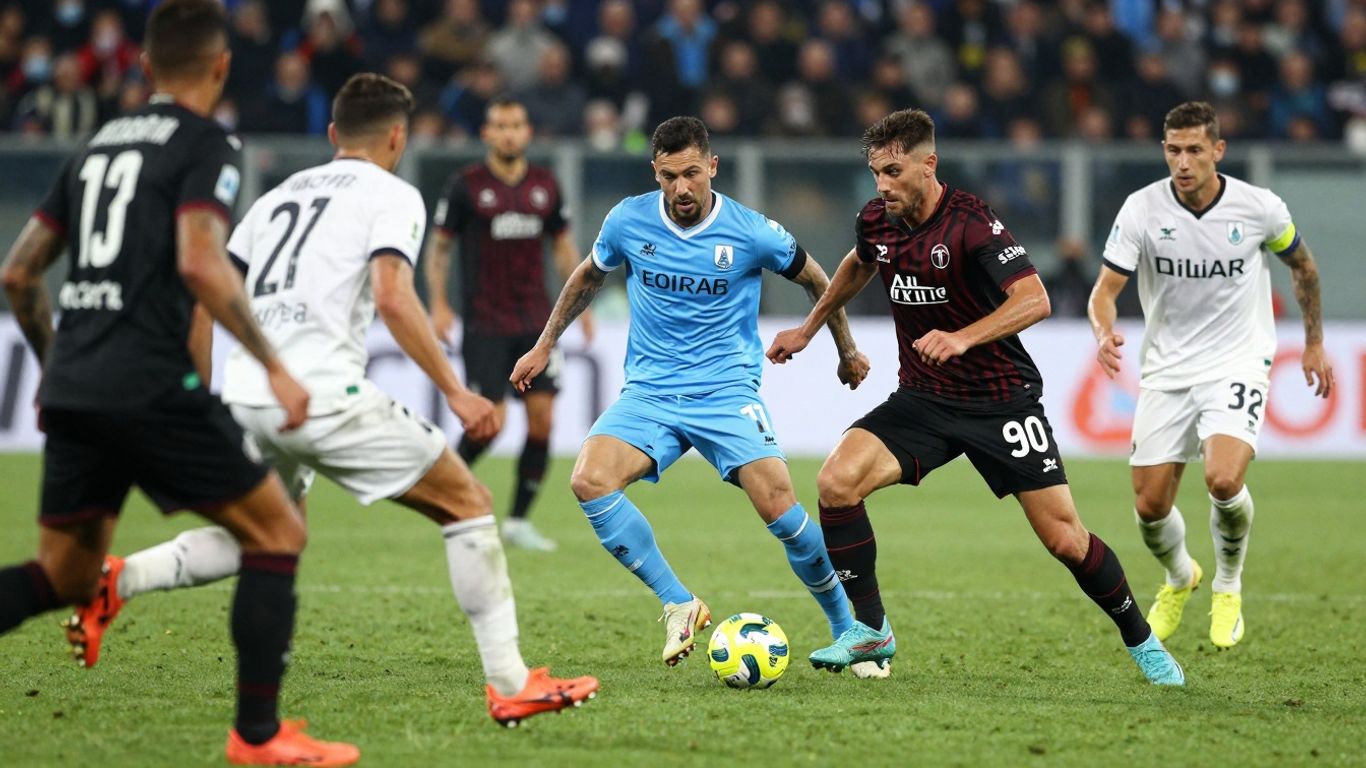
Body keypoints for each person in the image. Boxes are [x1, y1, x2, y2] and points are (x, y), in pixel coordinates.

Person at [69, 73, 599, 728]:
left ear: (331, 134)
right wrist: (456, 391)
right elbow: (391, 296)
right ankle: (511, 681)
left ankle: (114, 580)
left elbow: (203, 302)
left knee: (270, 534)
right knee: (468, 504)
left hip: (248, 395)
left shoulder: (274, 199)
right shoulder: (392, 195)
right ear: (398, 137)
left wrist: (202, 393)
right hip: (323, 396)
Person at [0, 2, 360, 764]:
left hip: (78, 384)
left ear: (143, 66)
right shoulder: (208, 143)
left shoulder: (95, 144)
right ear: (222, 66)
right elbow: (202, 261)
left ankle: (256, 732)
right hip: (151, 383)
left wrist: (54, 361)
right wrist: (273, 363)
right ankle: (257, 737)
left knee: (62, 574)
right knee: (278, 531)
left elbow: (19, 272)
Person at [768, 108, 1186, 685]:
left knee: (1065, 539)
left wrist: (964, 337)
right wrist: (810, 329)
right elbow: (859, 263)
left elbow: (1034, 299)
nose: (883, 185)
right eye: (875, 173)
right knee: (837, 482)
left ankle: (1142, 641)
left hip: (1001, 401)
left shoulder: (970, 222)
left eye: (893, 171)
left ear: (927, 163)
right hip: (923, 399)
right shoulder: (877, 219)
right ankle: (870, 630)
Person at [510, 116, 869, 667]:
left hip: (726, 391)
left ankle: (852, 629)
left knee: (780, 509)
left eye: (693, 174)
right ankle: (679, 602)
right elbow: (587, 276)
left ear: (713, 168)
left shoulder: (750, 231)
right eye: (670, 176)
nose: (682, 188)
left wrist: (843, 349)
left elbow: (819, 280)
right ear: (655, 172)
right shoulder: (627, 221)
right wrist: (543, 345)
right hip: (651, 392)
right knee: (589, 480)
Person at [1087, 101, 1333, 649]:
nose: (1183, 161)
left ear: (1218, 151)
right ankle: (1181, 576)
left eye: (1195, 150)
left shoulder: (1259, 208)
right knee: (1149, 508)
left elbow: (1304, 267)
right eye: (1173, 150)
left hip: (1237, 361)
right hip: (1167, 370)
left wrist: (1313, 342)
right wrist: (1103, 333)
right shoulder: (1142, 209)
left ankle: (1227, 583)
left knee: (1223, 479)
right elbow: (1105, 290)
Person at [425, 95, 592, 552]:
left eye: (515, 125)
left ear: (527, 132)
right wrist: (439, 304)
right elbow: (439, 250)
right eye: (499, 125)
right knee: (487, 425)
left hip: (536, 324)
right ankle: (443, 490)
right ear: (486, 133)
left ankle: (517, 522)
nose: (508, 133)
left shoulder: (545, 185)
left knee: (543, 422)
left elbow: (562, 249)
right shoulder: (466, 186)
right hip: (485, 323)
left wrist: (585, 305)